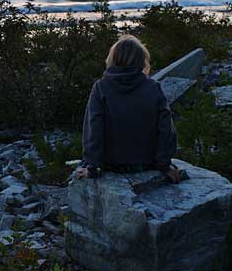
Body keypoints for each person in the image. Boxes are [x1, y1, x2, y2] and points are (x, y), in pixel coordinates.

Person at [76, 34, 181, 183]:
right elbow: (166, 130)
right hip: (146, 164)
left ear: (112, 59)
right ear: (141, 60)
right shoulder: (153, 87)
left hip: (111, 166)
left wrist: (92, 168)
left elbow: (94, 129)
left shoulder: (101, 87)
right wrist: (164, 165)